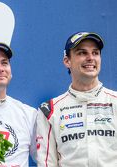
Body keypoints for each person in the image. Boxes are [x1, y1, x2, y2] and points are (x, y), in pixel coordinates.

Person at [36, 31, 117, 167]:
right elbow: (46, 163)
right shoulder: (50, 110)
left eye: (95, 53)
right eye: (82, 53)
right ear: (67, 61)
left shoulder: (115, 101)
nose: (90, 58)